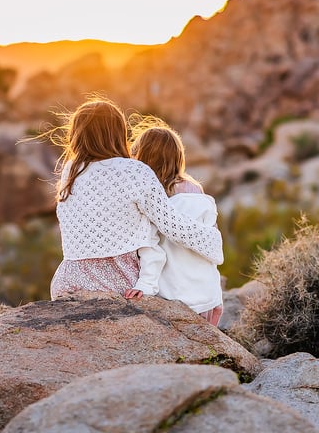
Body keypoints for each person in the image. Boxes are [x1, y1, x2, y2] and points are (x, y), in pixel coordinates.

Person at [46, 97, 224, 302]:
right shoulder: (135, 171)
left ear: (76, 135)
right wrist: (212, 242)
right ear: (118, 133)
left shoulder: (71, 171)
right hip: (118, 283)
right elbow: (173, 226)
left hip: (68, 283)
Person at [130, 118, 224, 326]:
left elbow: (149, 246)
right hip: (205, 294)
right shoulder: (194, 189)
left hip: (171, 294)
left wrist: (144, 285)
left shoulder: (150, 195)